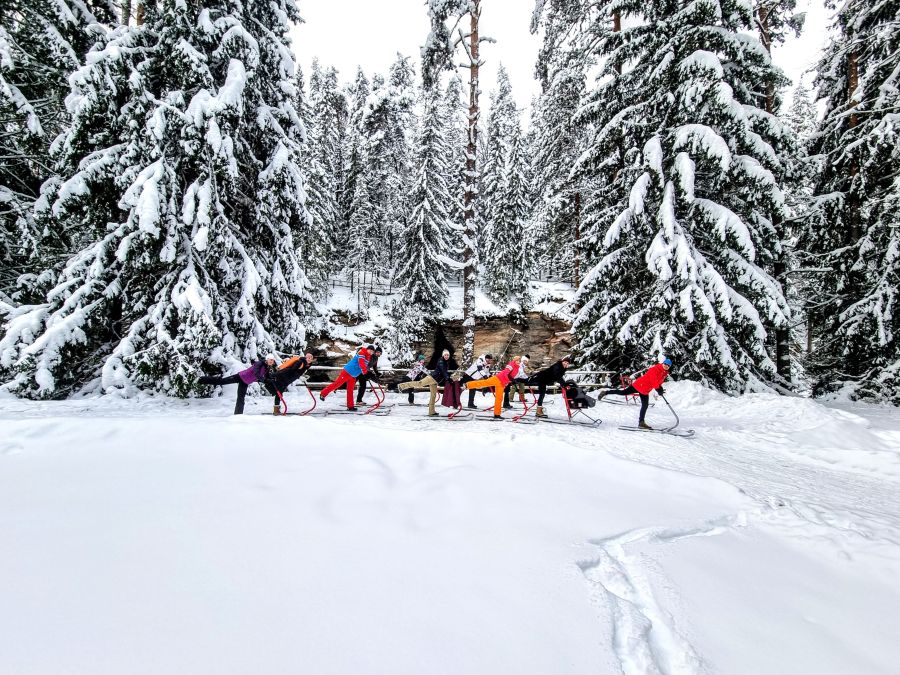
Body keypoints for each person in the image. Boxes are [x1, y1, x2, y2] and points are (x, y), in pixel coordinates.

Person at [597, 358, 672, 429]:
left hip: (645, 390)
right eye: (665, 364)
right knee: (623, 392)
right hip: (639, 385)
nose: (666, 366)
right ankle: (605, 392)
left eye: (668, 365)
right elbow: (653, 380)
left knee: (645, 405)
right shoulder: (655, 369)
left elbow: (658, 382)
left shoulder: (664, 373)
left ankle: (641, 422)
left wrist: (660, 388)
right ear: (663, 363)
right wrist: (658, 389)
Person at [198, 353, 279, 415]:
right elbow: (256, 373)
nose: (272, 362)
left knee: (241, 398)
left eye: (273, 360)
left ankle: (238, 415)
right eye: (270, 360)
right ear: (267, 359)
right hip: (240, 377)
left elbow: (267, 376)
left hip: (245, 382)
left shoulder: (267, 368)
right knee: (221, 381)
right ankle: (201, 379)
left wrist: (272, 379)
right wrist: (264, 380)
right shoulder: (259, 363)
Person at [398, 348, 452, 416]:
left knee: (433, 396)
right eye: (445, 355)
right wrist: (448, 378)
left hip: (435, 381)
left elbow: (444, 372)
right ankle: (401, 386)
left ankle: (431, 412)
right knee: (419, 383)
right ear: (443, 355)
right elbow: (443, 371)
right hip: (432, 378)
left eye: (448, 355)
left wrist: (448, 377)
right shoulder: (441, 361)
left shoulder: (445, 362)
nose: (446, 356)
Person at [320, 346, 371, 411]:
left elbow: (364, 366)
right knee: (337, 384)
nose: (371, 352)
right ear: (367, 349)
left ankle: (350, 406)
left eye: (372, 351)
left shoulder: (368, 357)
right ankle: (323, 393)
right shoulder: (362, 353)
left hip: (354, 375)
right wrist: (365, 373)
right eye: (370, 350)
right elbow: (361, 364)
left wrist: (367, 373)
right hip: (347, 371)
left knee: (350, 390)